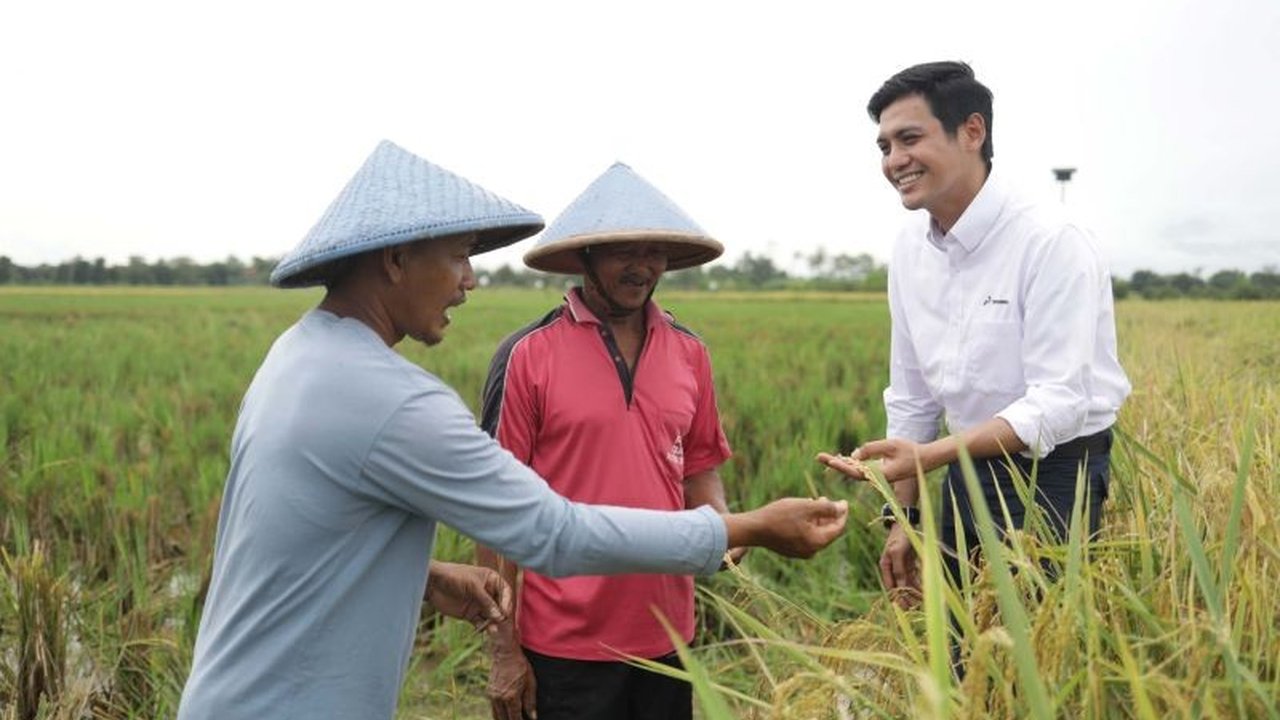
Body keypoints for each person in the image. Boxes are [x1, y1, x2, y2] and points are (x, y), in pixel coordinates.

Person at [176, 140, 850, 720]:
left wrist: (426, 577)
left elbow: (302, 537)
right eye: (459, 256)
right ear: (396, 261)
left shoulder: (297, 357)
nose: (470, 280)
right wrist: (748, 529)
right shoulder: (399, 398)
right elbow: (552, 533)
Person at [818, 61, 1131, 607]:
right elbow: (912, 398)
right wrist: (904, 517)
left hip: (1057, 475)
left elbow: (1058, 402)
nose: (894, 161)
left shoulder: (1050, 240)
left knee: (1042, 640)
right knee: (965, 639)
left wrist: (930, 455)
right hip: (964, 467)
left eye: (909, 139)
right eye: (885, 147)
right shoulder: (910, 250)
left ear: (972, 131)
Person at [476, 162, 740, 720]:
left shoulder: (689, 351)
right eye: (625, 250)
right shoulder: (528, 354)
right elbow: (493, 504)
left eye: (655, 251)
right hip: (562, 642)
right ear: (586, 256)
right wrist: (503, 649)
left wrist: (723, 526)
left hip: (667, 634)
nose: (642, 265)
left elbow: (699, 466)